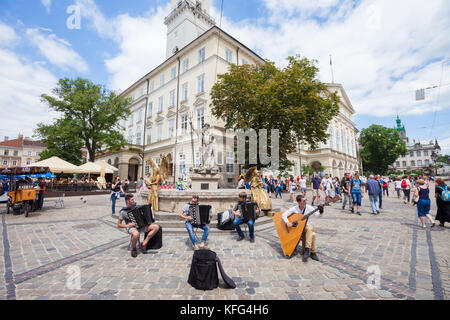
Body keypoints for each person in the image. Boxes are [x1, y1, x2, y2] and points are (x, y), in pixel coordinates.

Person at [282, 194, 323, 262]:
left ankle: (307, 250)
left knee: (309, 229)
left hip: (308, 225)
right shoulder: (295, 208)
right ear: (299, 202)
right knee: (313, 235)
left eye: (305, 200)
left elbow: (317, 216)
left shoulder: (309, 207)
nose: (305, 202)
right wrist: (287, 222)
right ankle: (313, 252)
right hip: (299, 228)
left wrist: (321, 211)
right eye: (303, 201)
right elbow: (284, 215)